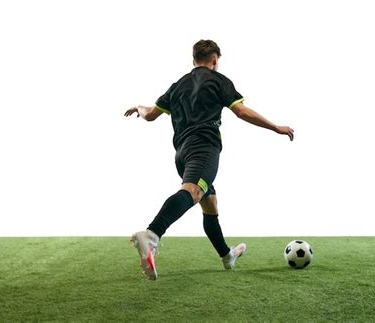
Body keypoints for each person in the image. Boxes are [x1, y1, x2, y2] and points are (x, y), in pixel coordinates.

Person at [124, 40, 294, 280]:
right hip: (204, 149)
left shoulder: (177, 86)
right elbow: (242, 111)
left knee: (209, 203)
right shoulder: (219, 80)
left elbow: (150, 115)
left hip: (181, 154)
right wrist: (275, 127)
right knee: (193, 191)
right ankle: (152, 234)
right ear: (214, 60)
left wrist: (139, 107)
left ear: (194, 60)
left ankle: (227, 256)